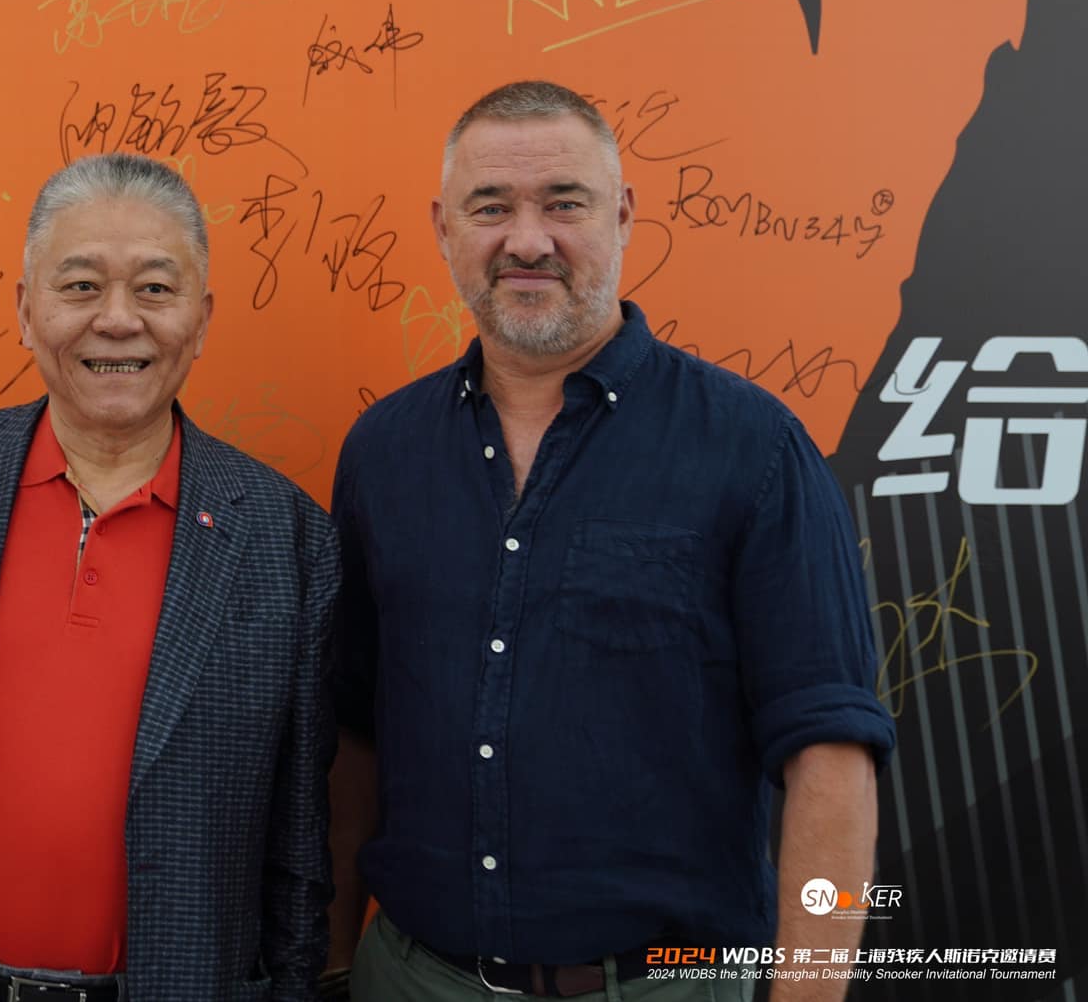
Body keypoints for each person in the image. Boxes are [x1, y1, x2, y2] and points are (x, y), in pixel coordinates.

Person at [327, 81, 895, 1001]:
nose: (527, 239)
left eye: (564, 203)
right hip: (411, 978)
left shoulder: (752, 448)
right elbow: (353, 733)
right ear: (443, 227)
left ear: (623, 215)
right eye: (491, 207)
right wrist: (334, 959)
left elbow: (830, 752)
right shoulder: (383, 454)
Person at [0, 152, 337, 1002]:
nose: (118, 321)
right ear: (25, 310)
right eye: (80, 286)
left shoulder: (287, 539)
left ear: (203, 315)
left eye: (155, 288)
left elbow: (300, 840)